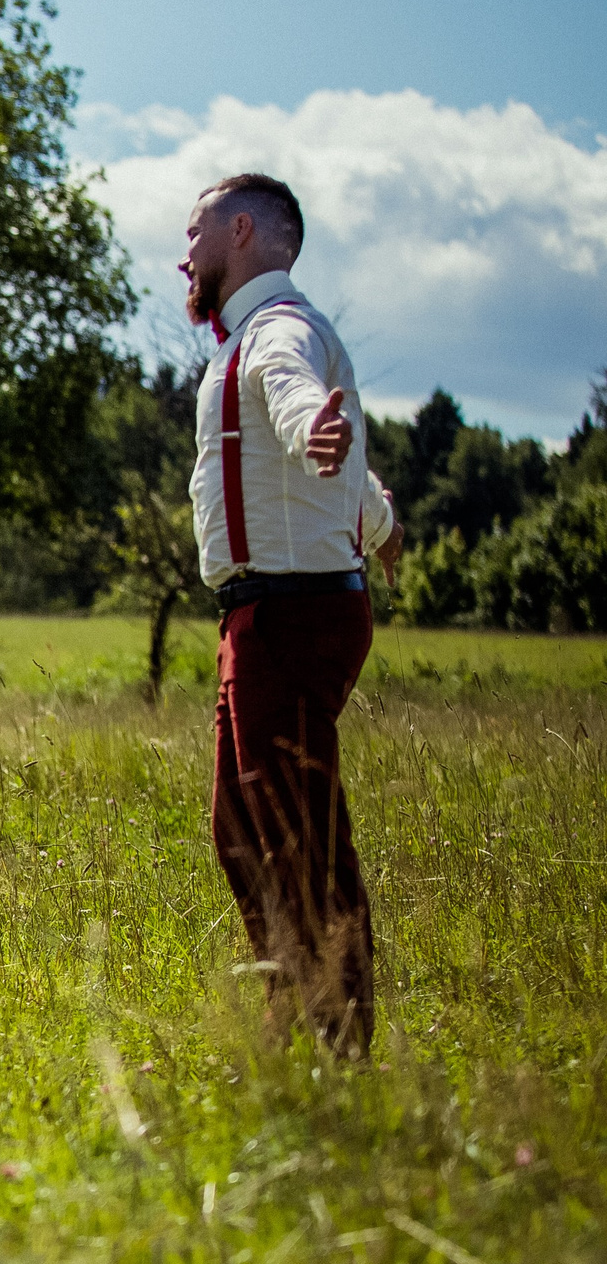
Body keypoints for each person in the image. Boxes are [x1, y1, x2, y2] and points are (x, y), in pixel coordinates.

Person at [179, 172, 401, 1056]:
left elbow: (295, 395)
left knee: (294, 834)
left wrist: (313, 424)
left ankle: (335, 1043)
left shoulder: (280, 334)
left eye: (194, 233)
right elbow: (329, 462)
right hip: (269, 614)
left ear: (243, 232)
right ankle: (296, 1012)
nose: (182, 254)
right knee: (242, 826)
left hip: (290, 614)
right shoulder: (250, 340)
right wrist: (380, 520)